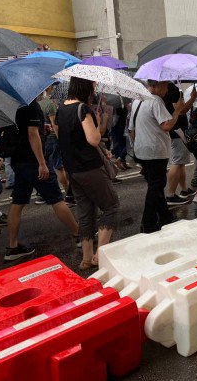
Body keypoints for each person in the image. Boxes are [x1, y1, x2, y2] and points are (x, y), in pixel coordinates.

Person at [56, 77, 119, 270]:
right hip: (90, 168)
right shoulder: (83, 109)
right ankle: (100, 255)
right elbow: (93, 139)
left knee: (86, 213)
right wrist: (98, 122)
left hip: (73, 169)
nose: (94, 88)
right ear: (84, 86)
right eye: (92, 84)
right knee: (111, 206)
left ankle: (86, 258)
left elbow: (62, 137)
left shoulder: (61, 108)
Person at [5, 99, 79, 261]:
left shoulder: (12, 103)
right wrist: (42, 163)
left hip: (18, 160)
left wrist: (40, 128)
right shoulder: (30, 105)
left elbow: (26, 130)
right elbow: (32, 134)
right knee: (56, 199)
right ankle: (79, 235)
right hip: (33, 161)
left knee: (18, 202)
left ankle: (12, 247)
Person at [129, 80, 189, 233]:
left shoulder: (137, 100)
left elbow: (131, 129)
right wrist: (177, 110)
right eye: (165, 86)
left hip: (142, 150)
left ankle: (165, 216)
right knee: (155, 186)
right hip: (155, 151)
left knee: (156, 185)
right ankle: (147, 223)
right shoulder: (155, 100)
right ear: (156, 85)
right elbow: (167, 125)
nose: (167, 90)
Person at [163, 83, 196, 205]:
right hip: (177, 131)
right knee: (177, 162)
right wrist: (192, 98)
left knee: (181, 162)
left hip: (174, 130)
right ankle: (170, 195)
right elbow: (181, 110)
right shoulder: (173, 89)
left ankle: (184, 189)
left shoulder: (168, 89)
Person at [38, 84, 71, 205]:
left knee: (48, 166)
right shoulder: (50, 104)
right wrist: (61, 140)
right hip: (52, 138)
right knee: (59, 167)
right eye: (52, 87)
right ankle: (69, 193)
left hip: (42, 139)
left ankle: (46, 194)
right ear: (48, 88)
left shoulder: (37, 104)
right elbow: (54, 125)